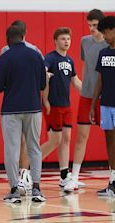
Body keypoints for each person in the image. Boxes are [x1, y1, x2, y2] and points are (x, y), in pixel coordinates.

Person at [0, 26, 46, 203]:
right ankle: (37, 189)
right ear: (23, 37)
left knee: (12, 150)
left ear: (7, 39)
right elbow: (42, 84)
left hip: (11, 109)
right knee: (34, 147)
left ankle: (15, 190)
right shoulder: (36, 55)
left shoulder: (4, 57)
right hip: (33, 107)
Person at [66, 9, 107, 192]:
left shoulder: (111, 44)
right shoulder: (84, 41)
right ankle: (74, 177)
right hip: (87, 95)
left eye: (95, 25)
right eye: (89, 25)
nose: (91, 28)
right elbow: (87, 66)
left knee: (114, 139)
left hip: (106, 97)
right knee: (81, 137)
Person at [40, 27, 82, 191]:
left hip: (66, 105)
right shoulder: (49, 58)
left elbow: (76, 81)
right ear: (56, 40)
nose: (66, 42)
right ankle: (29, 168)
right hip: (53, 105)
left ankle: (64, 175)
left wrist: (91, 94)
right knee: (55, 140)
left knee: (66, 139)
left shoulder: (70, 61)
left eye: (68, 39)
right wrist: (45, 101)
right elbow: (43, 77)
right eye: (63, 39)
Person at [91, 15, 115, 197]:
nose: (103, 35)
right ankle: (113, 180)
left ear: (114, 30)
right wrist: (93, 103)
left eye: (105, 31)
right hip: (106, 103)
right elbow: (99, 80)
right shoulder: (103, 53)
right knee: (110, 140)